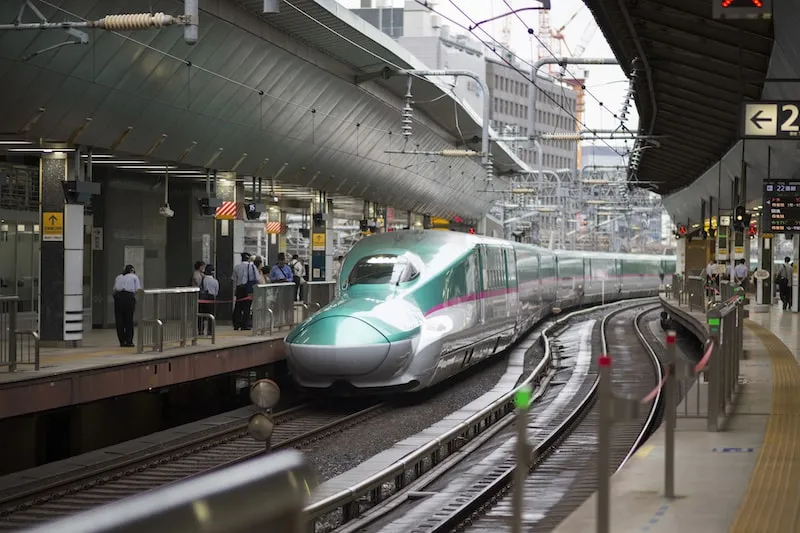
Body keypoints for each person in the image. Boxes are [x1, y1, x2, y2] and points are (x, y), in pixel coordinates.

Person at [113, 264, 141, 347]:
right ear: (132, 270)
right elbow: (137, 289)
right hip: (128, 297)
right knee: (129, 319)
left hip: (118, 297)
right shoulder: (134, 277)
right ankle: (129, 341)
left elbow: (114, 288)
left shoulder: (118, 277)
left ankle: (122, 341)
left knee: (119, 320)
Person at [232, 252, 258, 330]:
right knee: (247, 307)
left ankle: (236, 325)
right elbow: (256, 278)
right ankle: (244, 325)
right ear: (249, 258)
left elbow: (234, 280)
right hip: (249, 288)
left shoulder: (237, 267)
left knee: (238, 307)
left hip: (239, 288)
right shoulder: (252, 267)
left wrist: (234, 291)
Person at [198, 264, 219, 336]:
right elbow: (216, 292)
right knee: (211, 315)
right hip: (211, 299)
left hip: (202, 298)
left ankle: (200, 330)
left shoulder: (203, 279)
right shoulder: (215, 281)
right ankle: (210, 331)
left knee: (201, 315)